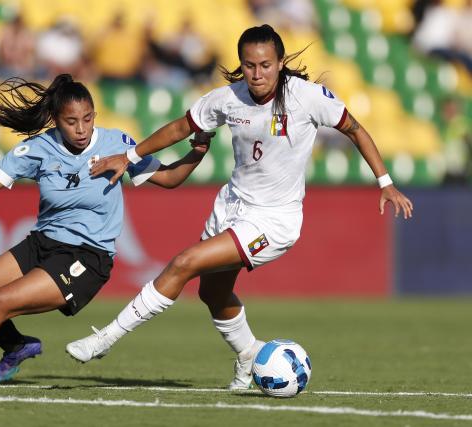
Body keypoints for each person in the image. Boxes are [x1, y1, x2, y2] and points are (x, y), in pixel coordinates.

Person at [65, 25, 414, 390]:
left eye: (265, 65)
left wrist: (385, 182)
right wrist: (131, 155)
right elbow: (181, 127)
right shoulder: (226, 99)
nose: (257, 73)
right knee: (211, 293)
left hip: (273, 220)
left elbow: (355, 128)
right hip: (231, 206)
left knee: (185, 262)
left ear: (280, 63)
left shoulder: (307, 97)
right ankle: (249, 355)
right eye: (249, 65)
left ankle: (104, 339)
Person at [0, 73, 212, 386]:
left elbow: (169, 178)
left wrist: (197, 151)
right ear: (56, 120)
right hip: (42, 243)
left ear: (95, 115)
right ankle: (17, 346)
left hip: (87, 256)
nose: (81, 129)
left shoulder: (117, 143)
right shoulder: (39, 149)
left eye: (88, 118)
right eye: (71, 121)